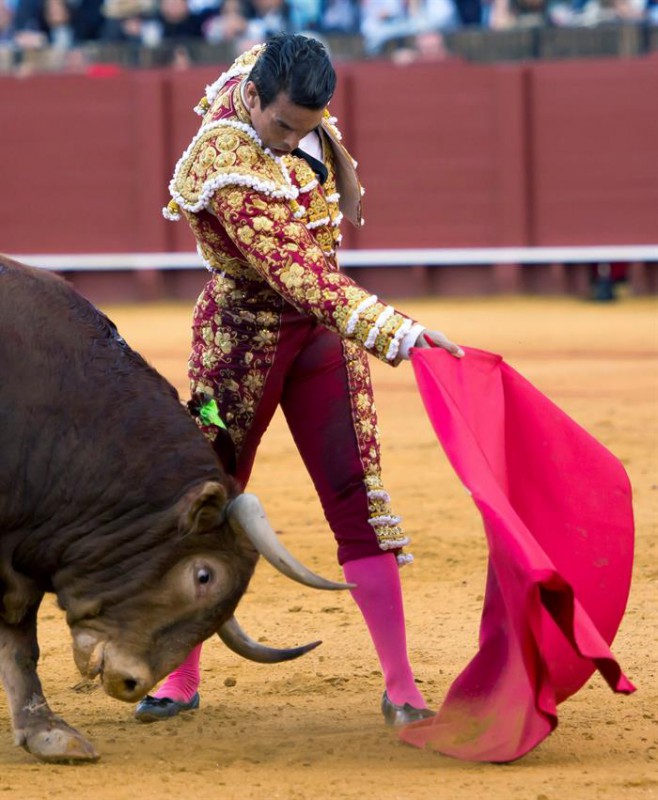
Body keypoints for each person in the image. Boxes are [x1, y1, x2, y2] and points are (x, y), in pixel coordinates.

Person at [134, 33, 464, 727]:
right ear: (252, 97)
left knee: (357, 496)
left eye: (304, 129)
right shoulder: (225, 161)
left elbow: (280, 61)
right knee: (208, 499)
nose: (289, 143)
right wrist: (398, 332)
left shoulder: (275, 77)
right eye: (282, 127)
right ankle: (181, 674)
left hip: (321, 339)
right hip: (239, 342)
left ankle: (402, 687)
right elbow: (300, 274)